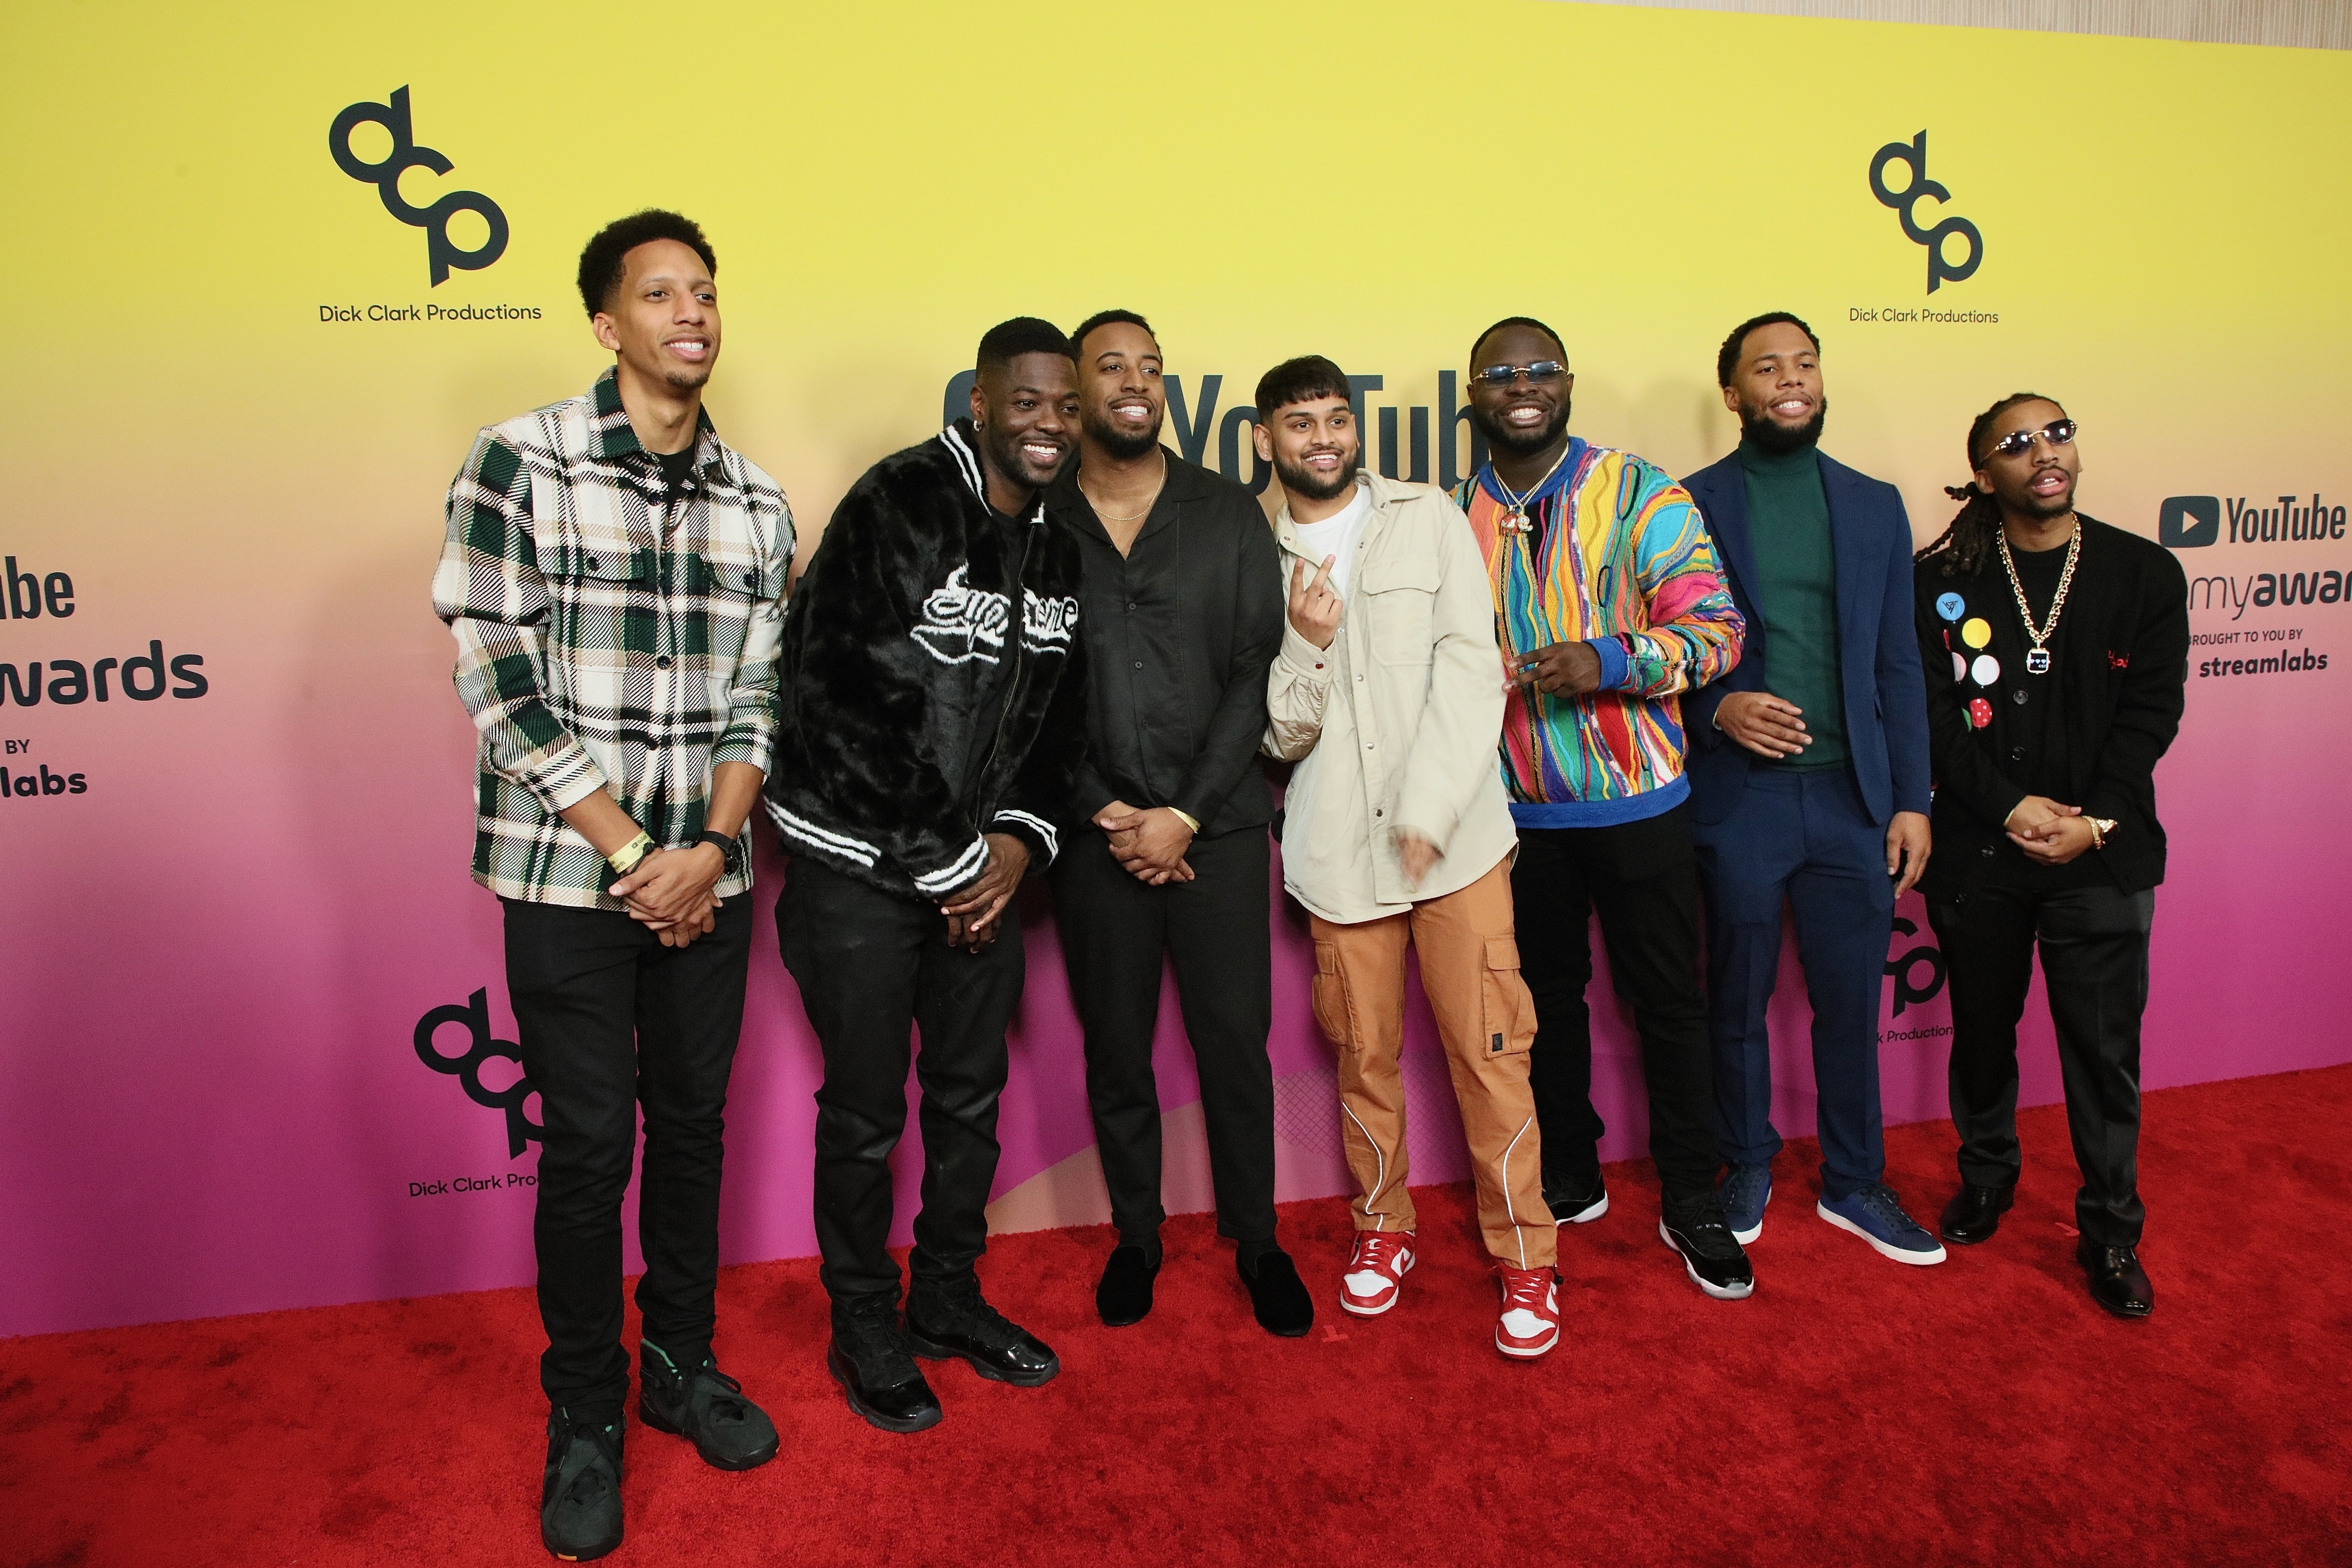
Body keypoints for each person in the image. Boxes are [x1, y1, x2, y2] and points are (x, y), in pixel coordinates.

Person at [433, 210, 787, 1562]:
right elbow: (494, 677)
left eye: (705, 291)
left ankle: (680, 1366)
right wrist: (635, 853)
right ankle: (583, 1407)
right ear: (606, 322)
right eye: (659, 292)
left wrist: (704, 849)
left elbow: (761, 695)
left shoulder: (759, 500)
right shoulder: (517, 460)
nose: (691, 310)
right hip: (567, 876)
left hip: (711, 874)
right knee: (590, 1146)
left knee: (692, 1130)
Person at [766, 317, 1090, 1433]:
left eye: (1068, 407)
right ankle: (863, 1322)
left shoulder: (1055, 541)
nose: (1051, 424)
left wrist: (1012, 844)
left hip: (979, 876)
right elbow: (842, 702)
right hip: (860, 871)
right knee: (862, 1116)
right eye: (1031, 402)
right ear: (984, 404)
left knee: (967, 1100)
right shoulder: (897, 500)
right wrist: (955, 866)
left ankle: (946, 1298)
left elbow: (1057, 721)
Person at [1257, 355, 1560, 1359]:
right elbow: (1273, 739)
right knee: (1363, 1058)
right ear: (1267, 440)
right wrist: (1301, 645)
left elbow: (1477, 672)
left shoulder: (1425, 515)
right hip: (1339, 858)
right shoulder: (1243, 549)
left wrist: (1430, 807)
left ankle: (1527, 1257)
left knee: (1490, 1055)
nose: (1326, 439)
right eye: (1302, 424)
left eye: (1338, 419)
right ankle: (1383, 1234)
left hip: (1459, 847)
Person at [1453, 317, 1752, 1300]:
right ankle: (1571, 1171)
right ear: (1474, 396)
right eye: (1502, 374)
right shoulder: (1452, 516)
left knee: (1668, 1005)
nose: (1523, 386)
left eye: (1540, 370)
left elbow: (1716, 633)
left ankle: (1690, 1196)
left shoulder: (1641, 493)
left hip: (1639, 806)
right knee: (1544, 1007)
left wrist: (1610, 660)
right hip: (1512, 819)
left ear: (1569, 383)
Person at [1044, 309, 1309, 1336]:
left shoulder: (1227, 512)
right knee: (1117, 1049)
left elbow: (1256, 672)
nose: (1136, 382)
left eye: (1150, 368)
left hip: (1220, 830)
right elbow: (1028, 688)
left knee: (1233, 1045)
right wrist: (1105, 808)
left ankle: (1259, 1241)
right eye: (1112, 366)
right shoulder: (1036, 517)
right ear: (1076, 389)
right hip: (1094, 836)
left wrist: (1185, 814)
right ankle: (1137, 1238)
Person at [1913, 394, 2187, 1319]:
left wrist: (2096, 821)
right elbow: (1931, 718)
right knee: (1983, 1036)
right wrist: (2009, 804)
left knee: (2103, 1056)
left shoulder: (2143, 572)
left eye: (2058, 433)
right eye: (2018, 443)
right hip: (1979, 856)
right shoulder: (1937, 578)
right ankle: (1987, 1177)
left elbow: (2152, 714)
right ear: (1985, 472)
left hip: (2102, 861)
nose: (2046, 453)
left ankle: (2112, 1232)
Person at [1682, 312, 1944, 1266]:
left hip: (1853, 802)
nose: (1790, 380)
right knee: (1738, 999)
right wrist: (1720, 708)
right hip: (1741, 800)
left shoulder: (1874, 504)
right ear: (1734, 394)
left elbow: (1899, 665)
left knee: (1848, 1004)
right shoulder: (1688, 503)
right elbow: (1663, 648)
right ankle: (1745, 1159)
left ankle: (1855, 1181)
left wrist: (1912, 796)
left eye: (1804, 363)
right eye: (1767, 368)